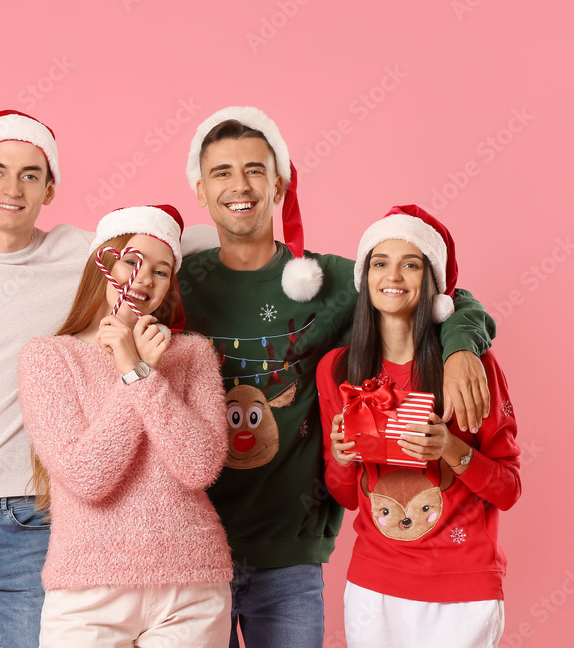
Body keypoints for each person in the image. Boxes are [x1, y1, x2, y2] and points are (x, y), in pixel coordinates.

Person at [0, 111, 217, 646]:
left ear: (50, 187)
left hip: (32, 518)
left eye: (31, 174)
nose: (12, 188)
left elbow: (150, 251)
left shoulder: (83, 257)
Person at [177, 106, 498, 647]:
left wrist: (463, 343)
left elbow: (433, 294)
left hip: (290, 556)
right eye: (222, 172)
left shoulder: (329, 284)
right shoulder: (177, 283)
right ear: (201, 191)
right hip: (188, 553)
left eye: (255, 169)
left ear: (278, 183)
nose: (240, 185)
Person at [17, 204, 234, 646]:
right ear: (104, 263)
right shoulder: (48, 357)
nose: (145, 280)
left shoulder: (191, 354)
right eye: (132, 262)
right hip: (87, 588)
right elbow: (87, 476)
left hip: (189, 583)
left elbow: (199, 467)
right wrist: (131, 371)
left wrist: (139, 372)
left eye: (161, 271)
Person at [316, 205, 519, 647]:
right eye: (380, 263)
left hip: (464, 589)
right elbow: (348, 497)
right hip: (375, 588)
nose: (394, 276)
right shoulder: (336, 370)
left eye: (411, 264)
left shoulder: (470, 366)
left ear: (432, 283)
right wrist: (341, 457)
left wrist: (449, 449)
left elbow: (508, 489)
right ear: (365, 278)